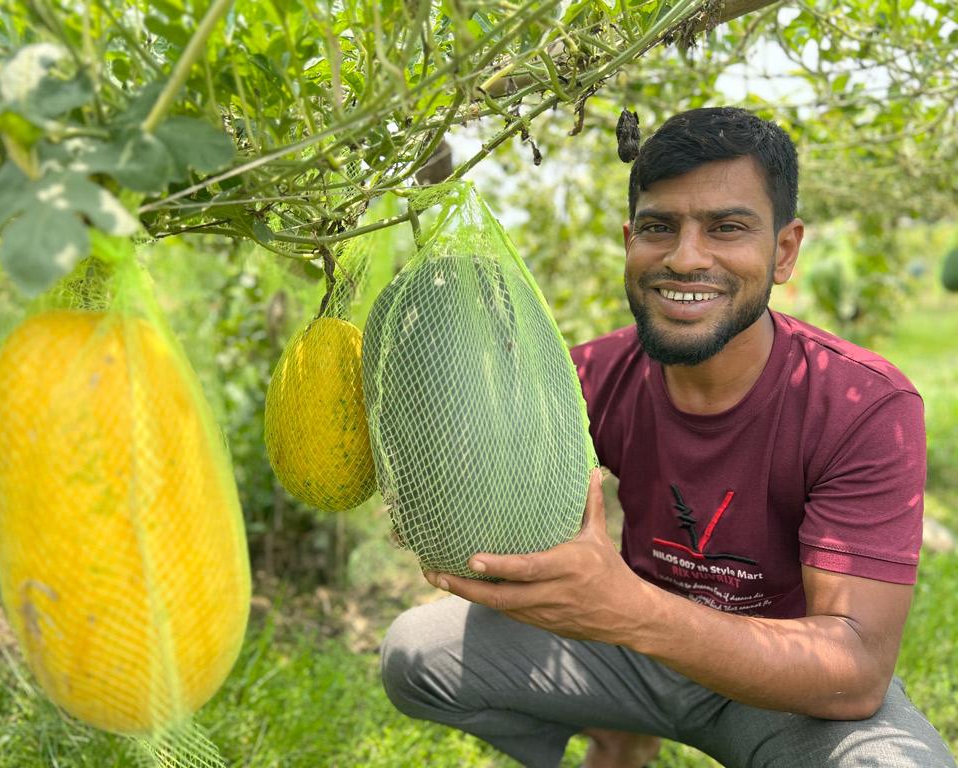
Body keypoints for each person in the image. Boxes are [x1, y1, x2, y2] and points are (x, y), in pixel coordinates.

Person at [379, 107, 957, 768]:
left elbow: (853, 670)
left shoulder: (861, 402)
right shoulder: (585, 377)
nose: (685, 258)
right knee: (416, 654)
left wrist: (626, 610)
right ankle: (619, 735)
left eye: (727, 227)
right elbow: (491, 480)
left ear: (786, 250)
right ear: (630, 240)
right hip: (629, 657)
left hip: (778, 687)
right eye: (659, 227)